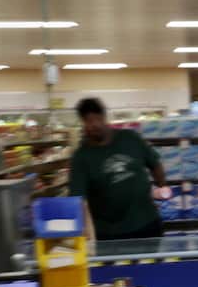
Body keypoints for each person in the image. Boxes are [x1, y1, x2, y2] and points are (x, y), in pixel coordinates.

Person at [69, 97, 167, 243]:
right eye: (88, 121)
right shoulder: (81, 157)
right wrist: (85, 231)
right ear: (83, 123)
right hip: (109, 233)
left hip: (147, 223)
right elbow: (78, 199)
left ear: (104, 117)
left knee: (153, 264)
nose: (94, 125)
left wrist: (162, 187)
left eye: (97, 119)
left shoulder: (130, 138)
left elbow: (154, 163)